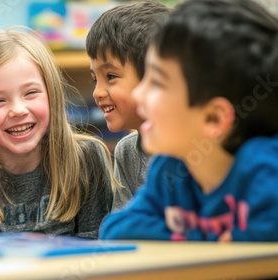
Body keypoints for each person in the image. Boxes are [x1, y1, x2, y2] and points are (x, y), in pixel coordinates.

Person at [100, 0, 278, 242]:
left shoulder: (265, 171)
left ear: (213, 119)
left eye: (157, 83)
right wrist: (206, 238)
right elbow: (116, 229)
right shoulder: (170, 168)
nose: (139, 94)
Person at [0, 29, 113, 239]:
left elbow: (97, 253)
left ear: (52, 96)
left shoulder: (86, 159)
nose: (18, 110)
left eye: (30, 93)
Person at [86, 1, 170, 212]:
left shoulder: (200, 147)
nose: (97, 92)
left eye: (111, 76)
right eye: (94, 79)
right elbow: (119, 228)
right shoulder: (127, 152)